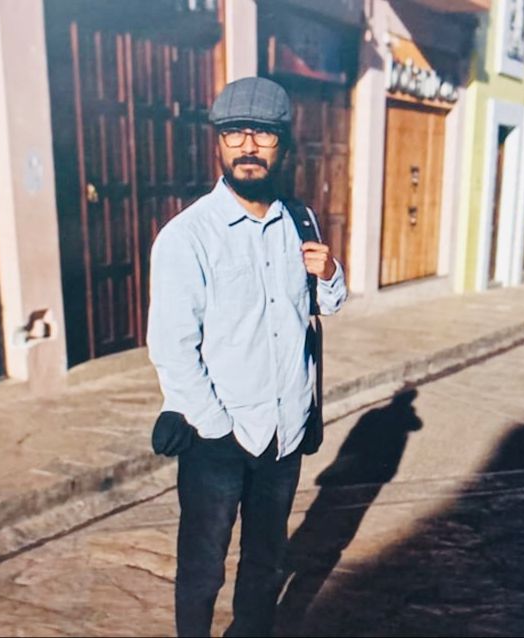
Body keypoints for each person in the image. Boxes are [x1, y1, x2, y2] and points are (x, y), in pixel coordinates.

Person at [146, 77, 347, 638]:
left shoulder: (300, 221)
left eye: (263, 134)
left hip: (285, 432)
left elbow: (324, 305)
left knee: (266, 563)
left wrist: (330, 273)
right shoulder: (188, 236)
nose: (249, 146)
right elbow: (172, 348)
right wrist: (217, 428)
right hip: (219, 437)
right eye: (235, 133)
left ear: (284, 144)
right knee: (202, 569)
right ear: (219, 142)